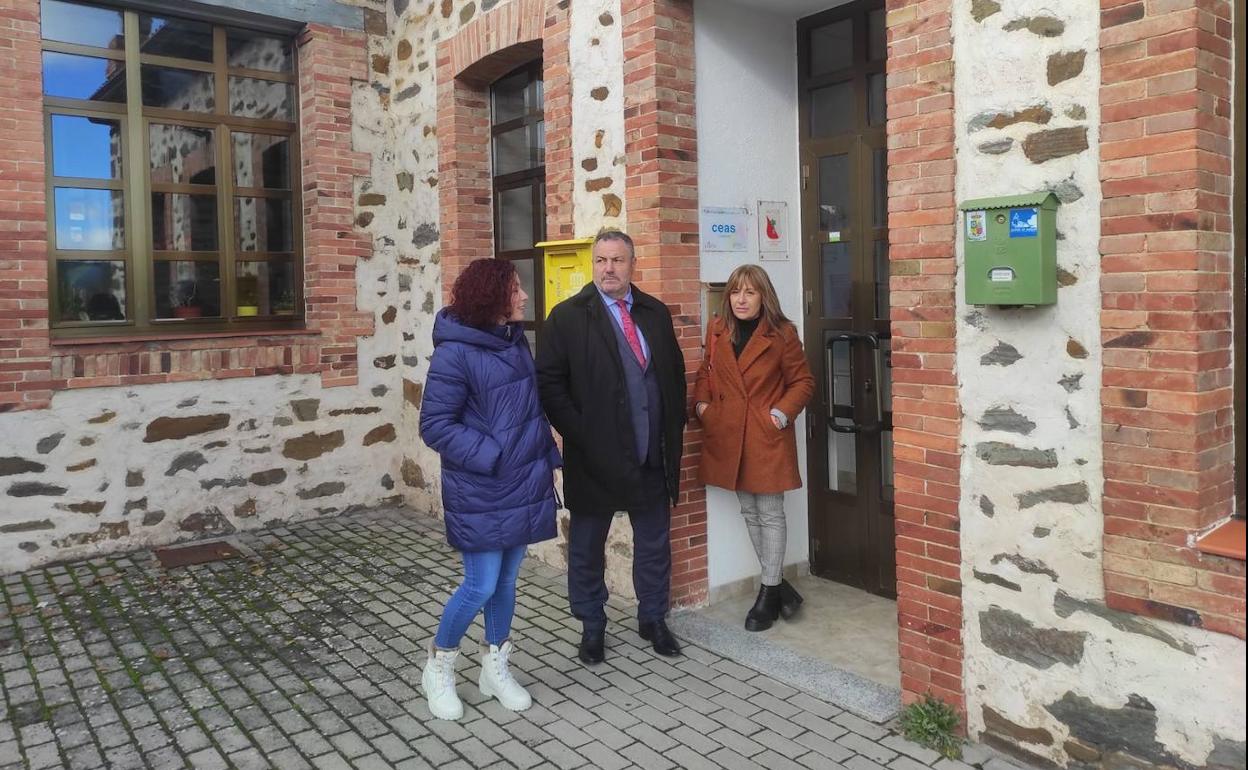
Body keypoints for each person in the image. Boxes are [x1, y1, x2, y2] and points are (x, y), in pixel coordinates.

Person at [418, 258, 561, 721]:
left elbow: (524, 409)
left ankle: (494, 668)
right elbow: (435, 424)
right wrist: (493, 454)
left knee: (506, 581)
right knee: (479, 584)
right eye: (515, 289)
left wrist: (545, 450)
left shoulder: (513, 341)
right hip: (481, 487)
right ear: (492, 297)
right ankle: (438, 666)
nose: (524, 296)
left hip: (522, 481)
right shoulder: (455, 353)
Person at [536, 229, 688, 664]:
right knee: (587, 546)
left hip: (651, 453)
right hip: (594, 457)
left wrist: (671, 425)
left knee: (654, 543)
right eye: (601, 260)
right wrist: (580, 432)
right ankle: (592, 625)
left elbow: (673, 374)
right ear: (593, 265)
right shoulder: (567, 317)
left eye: (618, 260)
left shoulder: (655, 313)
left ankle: (653, 619)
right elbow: (549, 385)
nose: (609, 268)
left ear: (632, 264)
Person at [693, 264, 814, 631]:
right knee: (749, 510)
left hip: (765, 434)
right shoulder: (718, 329)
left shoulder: (783, 333)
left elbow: (803, 382)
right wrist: (702, 407)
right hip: (729, 432)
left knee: (770, 512)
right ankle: (779, 588)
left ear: (764, 296)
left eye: (750, 292)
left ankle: (768, 593)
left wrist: (780, 414)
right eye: (735, 292)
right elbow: (705, 372)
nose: (741, 299)